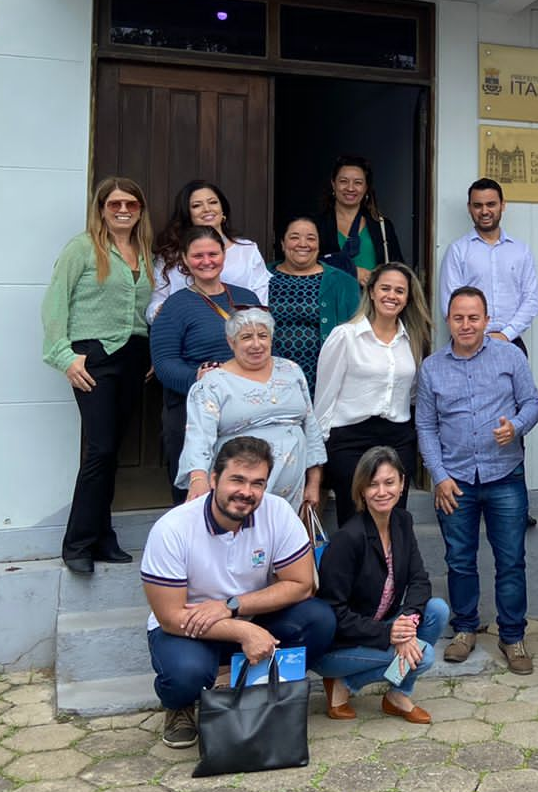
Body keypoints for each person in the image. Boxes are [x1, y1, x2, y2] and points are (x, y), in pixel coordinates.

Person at [140, 436, 336, 750]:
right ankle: (180, 706)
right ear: (214, 479)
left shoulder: (277, 513)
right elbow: (170, 617)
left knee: (319, 619)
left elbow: (302, 584)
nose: (247, 492)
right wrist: (243, 630)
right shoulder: (173, 529)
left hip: (251, 615)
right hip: (188, 629)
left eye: (258, 483)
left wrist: (233, 606)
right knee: (184, 675)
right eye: (237, 480)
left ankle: (251, 691)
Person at [417, 286, 538, 674]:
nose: (466, 324)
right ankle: (465, 630)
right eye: (459, 318)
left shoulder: (509, 356)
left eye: (474, 317)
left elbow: (534, 403)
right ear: (449, 321)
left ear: (487, 320)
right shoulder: (432, 368)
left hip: (505, 475)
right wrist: (438, 477)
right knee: (459, 560)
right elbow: (425, 425)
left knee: (511, 561)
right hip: (456, 481)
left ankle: (512, 636)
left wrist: (517, 427)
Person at [41, 176, 154, 575]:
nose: (123, 211)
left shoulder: (145, 250)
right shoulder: (82, 248)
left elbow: (151, 308)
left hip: (135, 356)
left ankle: (103, 536)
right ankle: (78, 542)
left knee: (111, 451)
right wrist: (63, 356)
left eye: (131, 205)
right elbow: (56, 300)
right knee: (100, 449)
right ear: (101, 209)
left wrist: (156, 349)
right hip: (94, 356)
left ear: (140, 210)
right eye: (115, 205)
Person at [312, 446, 448, 724]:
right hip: (341, 644)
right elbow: (334, 613)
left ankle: (396, 693)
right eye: (372, 484)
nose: (382, 491)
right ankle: (340, 681)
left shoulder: (402, 521)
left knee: (437, 610)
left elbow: (419, 579)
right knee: (424, 655)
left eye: (389, 482)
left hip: (383, 626)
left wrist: (406, 625)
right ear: (361, 490)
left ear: (402, 484)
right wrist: (390, 635)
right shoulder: (348, 539)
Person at [149, 228, 262, 503]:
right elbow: (164, 364)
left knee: (243, 491)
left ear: (224, 256)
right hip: (191, 412)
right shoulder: (175, 305)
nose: (207, 261)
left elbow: (267, 347)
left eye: (213, 253)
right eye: (198, 255)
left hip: (245, 407)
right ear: (185, 261)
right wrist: (197, 376)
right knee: (196, 496)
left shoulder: (247, 298)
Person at [313, 262, 431, 524]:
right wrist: (317, 461)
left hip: (397, 439)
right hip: (350, 440)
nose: (392, 295)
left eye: (400, 291)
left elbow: (411, 393)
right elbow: (324, 399)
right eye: (385, 288)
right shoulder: (345, 336)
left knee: (394, 520)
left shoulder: (412, 340)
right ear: (372, 292)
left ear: (408, 297)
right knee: (355, 522)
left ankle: (391, 567)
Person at [179, 308, 326, 513]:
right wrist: (198, 479)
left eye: (263, 336)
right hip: (241, 485)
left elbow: (310, 425)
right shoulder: (212, 384)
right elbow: (199, 435)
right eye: (246, 337)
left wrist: (314, 482)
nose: (256, 344)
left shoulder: (291, 370)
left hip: (293, 490)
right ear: (232, 342)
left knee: (282, 540)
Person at [438, 178, 538, 354]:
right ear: (469, 208)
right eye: (478, 205)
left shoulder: (521, 251)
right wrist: (478, 336)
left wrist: (506, 335)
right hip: (467, 344)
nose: (485, 211)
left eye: (491, 204)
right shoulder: (457, 251)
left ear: (502, 205)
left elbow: (530, 300)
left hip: (511, 343)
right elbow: (449, 304)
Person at [147, 179, 269, 321]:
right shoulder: (170, 254)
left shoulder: (247, 250)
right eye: (196, 205)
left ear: (222, 208)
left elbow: (261, 303)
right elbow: (155, 303)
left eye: (213, 202)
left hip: (239, 332)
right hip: (186, 330)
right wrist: (160, 311)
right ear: (188, 213)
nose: (207, 209)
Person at [267, 214, 361, 392]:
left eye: (311, 238)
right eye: (294, 237)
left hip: (322, 377)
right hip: (268, 374)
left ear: (319, 244)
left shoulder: (343, 282)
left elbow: (357, 333)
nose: (303, 244)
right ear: (282, 243)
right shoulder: (262, 276)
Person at [316, 154, 403, 287]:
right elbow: (305, 264)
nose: (350, 188)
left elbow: (398, 270)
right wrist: (352, 271)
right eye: (343, 181)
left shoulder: (382, 226)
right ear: (333, 184)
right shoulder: (316, 225)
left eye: (358, 182)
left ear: (366, 187)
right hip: (330, 302)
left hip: (372, 304)